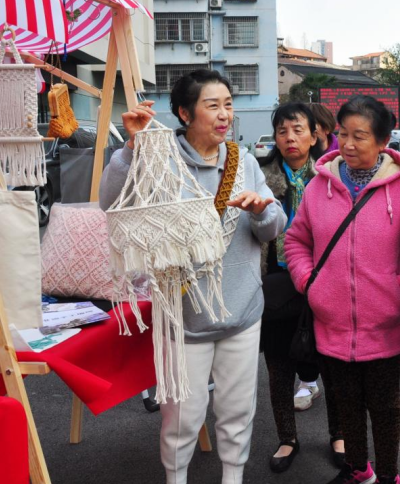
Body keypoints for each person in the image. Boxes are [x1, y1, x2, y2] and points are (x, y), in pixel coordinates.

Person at [99, 69, 287, 484]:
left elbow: (274, 227)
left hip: (241, 311)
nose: (224, 115)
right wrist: (131, 148)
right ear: (185, 113)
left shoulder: (243, 162)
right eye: (212, 105)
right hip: (181, 317)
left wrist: (262, 211)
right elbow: (111, 204)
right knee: (182, 417)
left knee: (237, 411)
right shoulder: (158, 158)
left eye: (228, 105)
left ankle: (233, 477)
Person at [285, 95, 400, 484]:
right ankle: (359, 471)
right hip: (331, 322)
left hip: (386, 324)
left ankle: (388, 475)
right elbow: (296, 240)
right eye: (343, 134)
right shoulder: (318, 187)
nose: (349, 144)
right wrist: (309, 283)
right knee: (346, 407)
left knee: (385, 408)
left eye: (360, 136)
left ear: (384, 140)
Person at [257, 102, 345, 472]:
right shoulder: (259, 176)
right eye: (282, 131)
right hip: (276, 283)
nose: (290, 138)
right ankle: (287, 438)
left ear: (314, 135)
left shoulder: (331, 174)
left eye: (298, 130)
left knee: (332, 363)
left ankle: (339, 434)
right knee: (278, 367)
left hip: (323, 282)